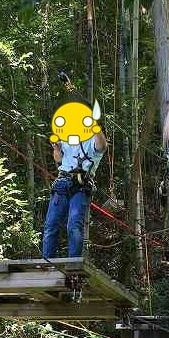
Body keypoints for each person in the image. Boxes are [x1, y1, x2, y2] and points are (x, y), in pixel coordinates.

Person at [42, 100, 107, 259]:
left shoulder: (92, 140)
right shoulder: (67, 137)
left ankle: (74, 263)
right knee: (51, 225)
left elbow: (102, 146)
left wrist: (94, 125)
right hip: (62, 182)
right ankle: (47, 261)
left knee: (74, 226)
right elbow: (58, 160)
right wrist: (56, 148)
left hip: (80, 185)